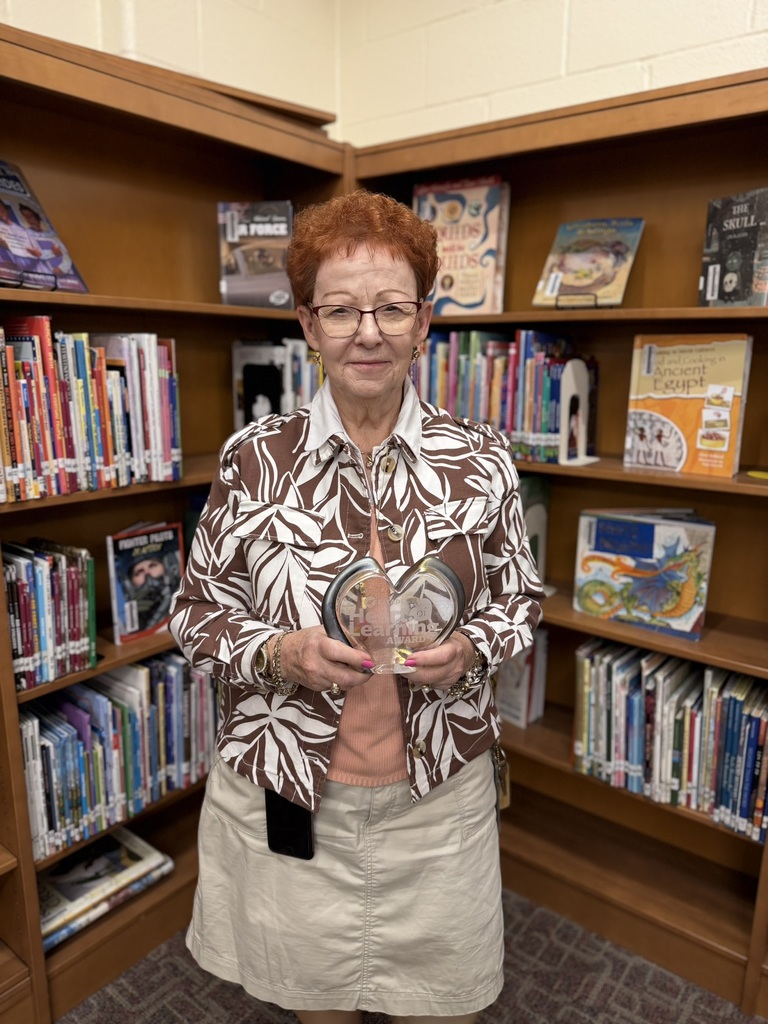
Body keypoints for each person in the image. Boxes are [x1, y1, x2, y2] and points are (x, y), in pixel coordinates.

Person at [169, 189, 543, 1024]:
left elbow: (518, 601)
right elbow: (195, 612)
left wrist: (473, 651)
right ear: (307, 325)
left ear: (425, 321)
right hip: (294, 793)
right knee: (316, 1005)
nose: (366, 331)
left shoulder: (479, 460)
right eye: (339, 309)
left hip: (434, 798)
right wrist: (279, 653)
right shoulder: (252, 461)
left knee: (435, 1008)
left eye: (390, 308)